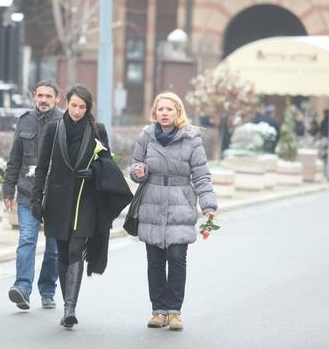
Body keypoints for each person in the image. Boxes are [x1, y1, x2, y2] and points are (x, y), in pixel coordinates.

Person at [31, 84, 125, 329]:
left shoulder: (97, 130)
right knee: (62, 252)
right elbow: (42, 167)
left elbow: (108, 164)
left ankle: (70, 308)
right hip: (58, 201)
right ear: (67, 104)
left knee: (75, 250)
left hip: (85, 200)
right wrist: (35, 199)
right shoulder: (54, 129)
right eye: (73, 105)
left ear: (88, 108)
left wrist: (92, 172)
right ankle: (67, 304)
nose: (77, 110)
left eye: (82, 107)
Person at [130, 92, 217, 331]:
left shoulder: (192, 138)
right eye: (161, 109)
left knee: (177, 258)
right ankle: (158, 310)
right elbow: (135, 164)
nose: (165, 113)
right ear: (155, 112)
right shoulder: (146, 136)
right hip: (152, 203)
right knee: (155, 260)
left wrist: (208, 204)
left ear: (178, 112)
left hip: (181, 202)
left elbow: (201, 174)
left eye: (170, 109)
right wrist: (138, 171)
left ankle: (174, 311)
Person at [2, 80, 63, 310]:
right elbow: (14, 158)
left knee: (54, 247)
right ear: (33, 97)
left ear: (57, 98)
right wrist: (8, 189)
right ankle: (22, 288)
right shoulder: (24, 120)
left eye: (49, 96)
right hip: (28, 194)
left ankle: (47, 290)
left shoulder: (64, 121)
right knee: (26, 240)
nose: (44, 100)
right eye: (40, 95)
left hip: (56, 196)